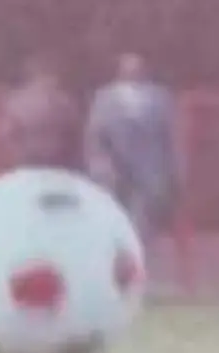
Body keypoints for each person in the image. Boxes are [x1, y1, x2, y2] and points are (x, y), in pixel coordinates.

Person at [84, 52, 181, 255]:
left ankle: (137, 262)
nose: (133, 71)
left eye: (137, 66)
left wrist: (173, 170)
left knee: (142, 224)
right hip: (113, 171)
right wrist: (99, 167)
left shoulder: (160, 97)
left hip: (149, 171)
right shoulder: (104, 96)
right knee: (113, 218)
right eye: (128, 66)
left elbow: (170, 136)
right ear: (120, 70)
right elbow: (94, 135)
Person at [0, 54, 83, 171]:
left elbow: (6, 132)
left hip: (27, 163)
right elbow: (76, 136)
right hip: (59, 165)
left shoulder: (16, 102)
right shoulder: (65, 102)